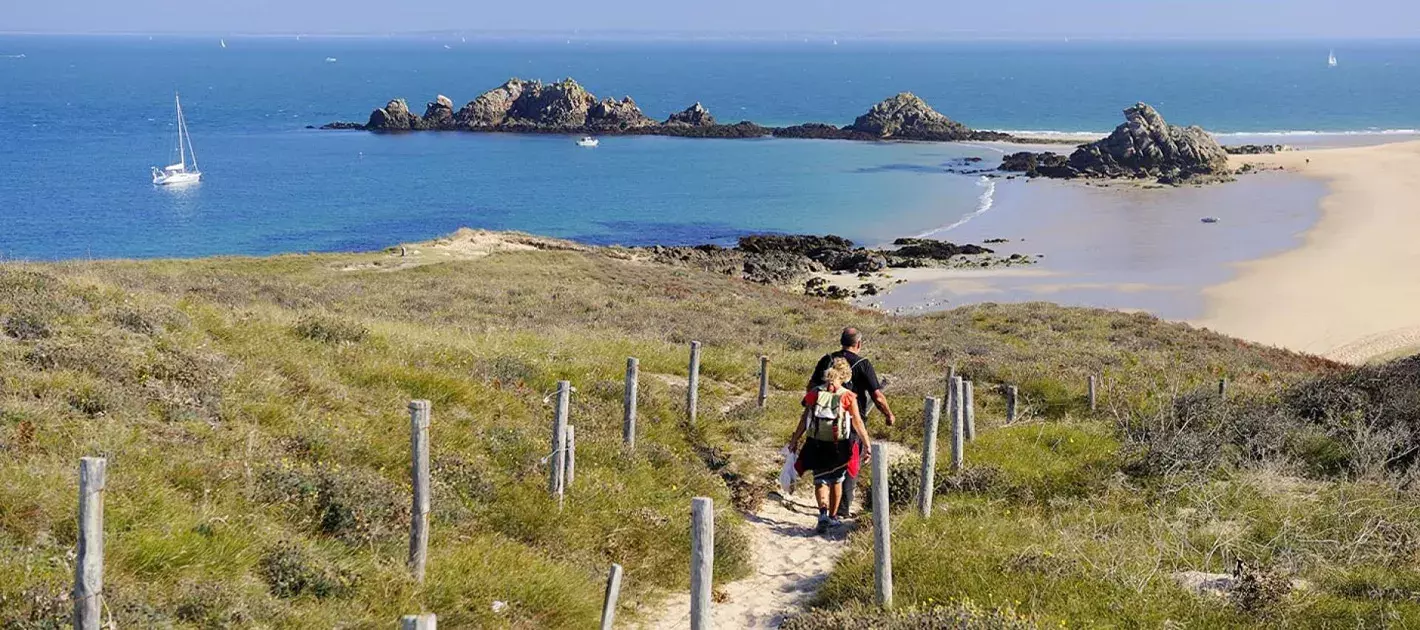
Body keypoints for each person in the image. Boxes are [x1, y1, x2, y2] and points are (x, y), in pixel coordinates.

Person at [807, 327, 894, 518]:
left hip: (823, 421)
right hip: (851, 422)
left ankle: (824, 508)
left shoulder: (827, 359)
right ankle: (841, 510)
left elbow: (811, 387)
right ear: (859, 344)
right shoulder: (863, 364)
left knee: (823, 466)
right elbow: (877, 397)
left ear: (841, 341)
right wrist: (888, 415)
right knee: (848, 464)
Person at [788, 357, 872, 534]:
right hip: (839, 445)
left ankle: (823, 515)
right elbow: (857, 422)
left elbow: (804, 419)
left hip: (816, 443)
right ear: (845, 376)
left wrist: (795, 439)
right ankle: (833, 518)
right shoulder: (848, 396)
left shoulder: (815, 393)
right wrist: (867, 444)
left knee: (820, 480)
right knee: (837, 480)